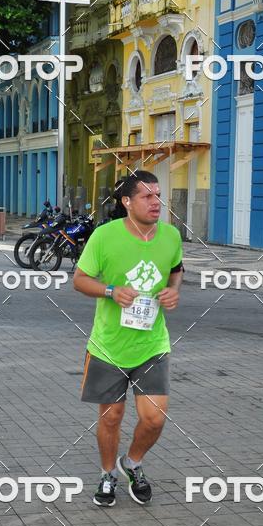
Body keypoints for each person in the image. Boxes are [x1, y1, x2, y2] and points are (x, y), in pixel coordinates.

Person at [74, 169, 183, 508]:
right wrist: (109, 291)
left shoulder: (171, 236)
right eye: (147, 196)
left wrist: (173, 291)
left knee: (154, 418)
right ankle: (107, 474)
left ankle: (132, 464)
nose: (156, 202)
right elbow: (79, 279)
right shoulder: (105, 237)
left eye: (158, 195)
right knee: (112, 417)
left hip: (152, 344)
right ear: (126, 201)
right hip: (109, 346)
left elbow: (177, 269)